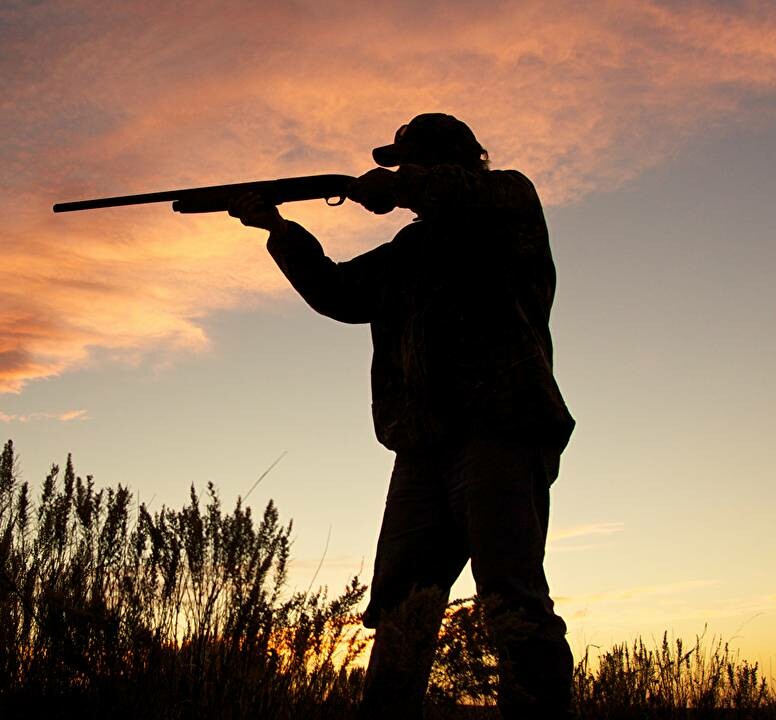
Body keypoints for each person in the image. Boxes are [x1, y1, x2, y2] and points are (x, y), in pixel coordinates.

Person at [228, 113, 577, 719]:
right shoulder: (411, 248)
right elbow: (338, 294)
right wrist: (278, 227)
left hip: (501, 428)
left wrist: (393, 187)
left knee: (510, 599)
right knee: (401, 606)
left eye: (407, 163)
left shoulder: (506, 199)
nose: (396, 175)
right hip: (423, 447)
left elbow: (453, 194)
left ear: (447, 161)